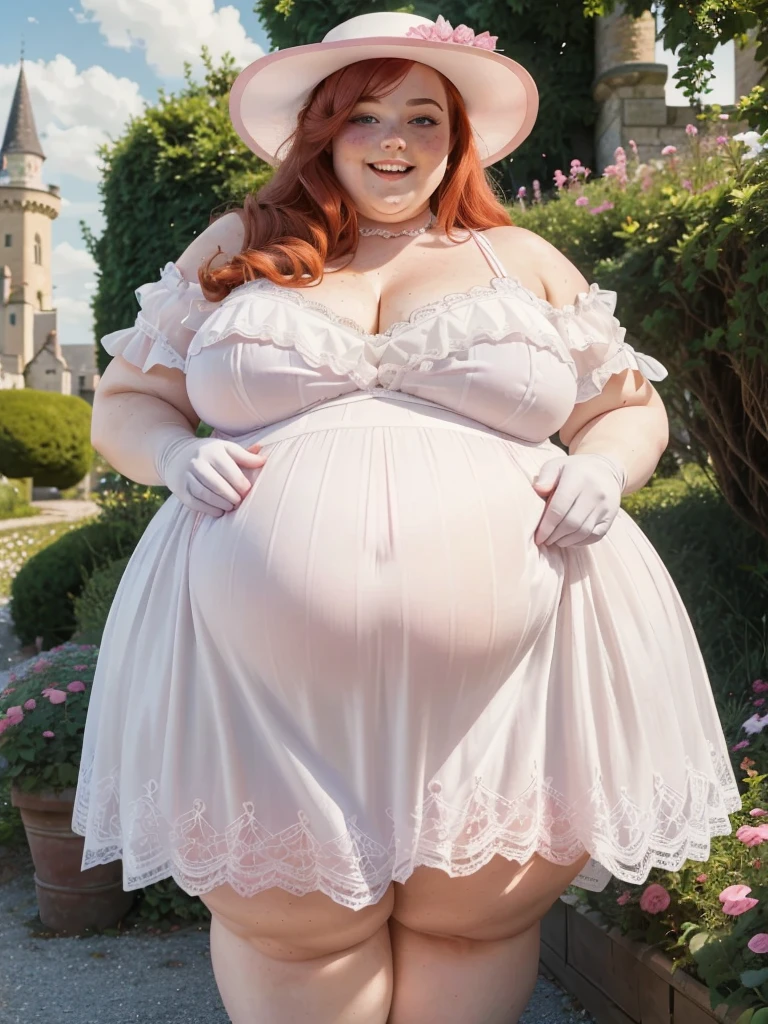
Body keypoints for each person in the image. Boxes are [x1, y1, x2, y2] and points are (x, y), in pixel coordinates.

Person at [72, 11, 742, 1024]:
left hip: (512, 688)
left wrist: (605, 468)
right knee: (292, 932)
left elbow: (628, 408)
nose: (396, 141)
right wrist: (173, 453)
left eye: (424, 117)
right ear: (322, 130)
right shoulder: (240, 246)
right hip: (255, 685)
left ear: (457, 137)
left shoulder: (522, 260)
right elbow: (126, 401)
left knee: (472, 923)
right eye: (366, 115)